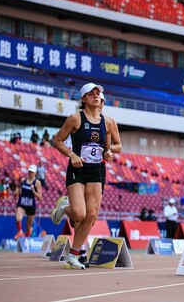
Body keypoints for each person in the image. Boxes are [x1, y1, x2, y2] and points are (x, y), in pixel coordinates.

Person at [50, 82, 115, 270]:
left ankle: (74, 254)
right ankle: (64, 206)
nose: (96, 96)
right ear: (83, 98)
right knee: (79, 213)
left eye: (98, 93)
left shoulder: (107, 122)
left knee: (91, 216)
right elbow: (57, 140)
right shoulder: (75, 119)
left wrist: (107, 154)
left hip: (96, 171)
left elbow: (107, 149)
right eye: (92, 93)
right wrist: (71, 154)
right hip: (77, 169)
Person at [14, 164, 43, 239]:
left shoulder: (37, 183)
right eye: (29, 171)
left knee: (28, 227)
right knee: (18, 219)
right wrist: (16, 192)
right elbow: (17, 188)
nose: (30, 173)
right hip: (22, 204)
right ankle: (20, 231)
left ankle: (27, 239)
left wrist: (34, 191)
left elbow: (40, 197)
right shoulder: (23, 180)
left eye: (32, 172)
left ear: (35, 173)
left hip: (31, 206)